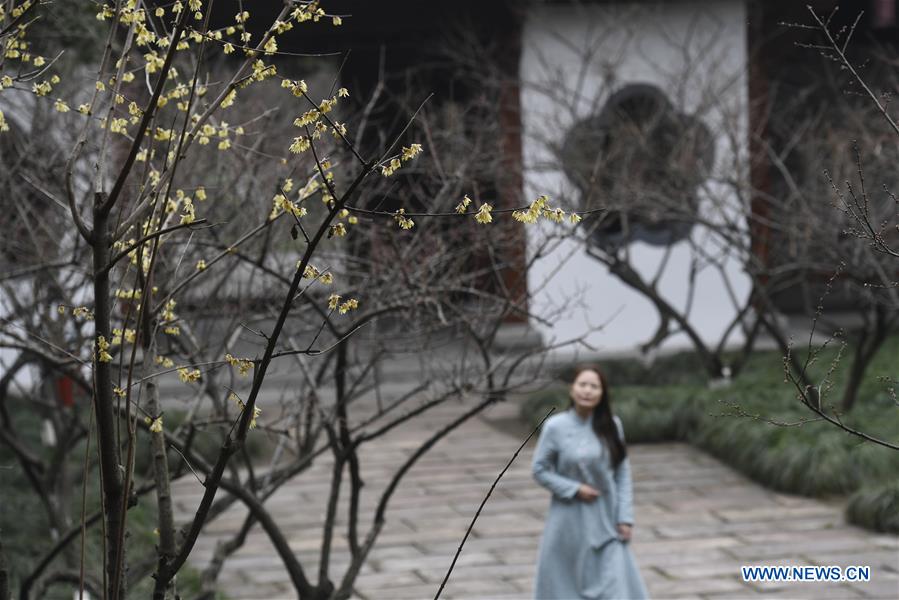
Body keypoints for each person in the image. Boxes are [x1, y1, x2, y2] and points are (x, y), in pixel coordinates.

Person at [532, 365, 649, 599]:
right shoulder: (555, 427)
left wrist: (625, 517)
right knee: (566, 586)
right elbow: (539, 470)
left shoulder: (612, 426)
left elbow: (622, 474)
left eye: (594, 386)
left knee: (615, 586)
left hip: (606, 520)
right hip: (568, 521)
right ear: (571, 389)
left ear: (602, 393)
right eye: (582, 384)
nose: (587, 391)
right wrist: (573, 489)